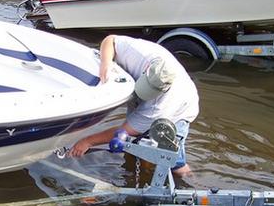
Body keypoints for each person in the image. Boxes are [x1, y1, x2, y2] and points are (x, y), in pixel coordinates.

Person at [69, 34, 199, 177]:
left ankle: (189, 181)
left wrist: (88, 141)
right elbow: (110, 40)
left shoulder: (158, 108)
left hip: (181, 109)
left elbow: (126, 130)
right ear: (146, 69)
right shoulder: (140, 54)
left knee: (173, 161)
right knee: (136, 146)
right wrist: (105, 64)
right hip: (152, 101)